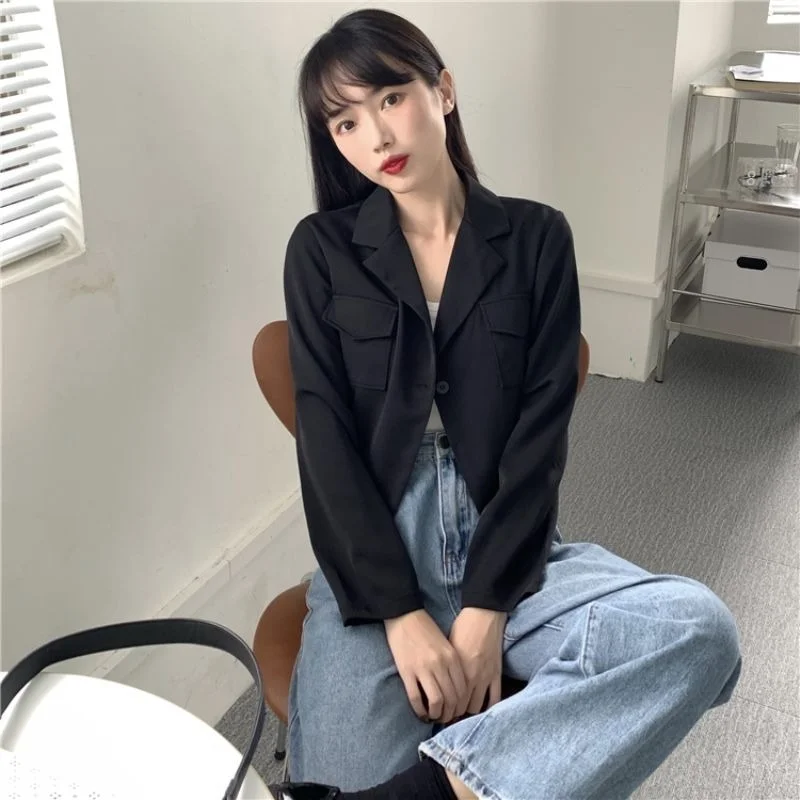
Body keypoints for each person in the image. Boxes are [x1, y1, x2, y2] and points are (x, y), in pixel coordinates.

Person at [268, 9, 742, 800]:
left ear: (443, 91)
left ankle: (443, 787)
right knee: (342, 776)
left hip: (509, 543)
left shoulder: (536, 238)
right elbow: (326, 446)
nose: (376, 136)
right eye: (345, 122)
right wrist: (400, 614)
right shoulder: (319, 250)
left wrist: (487, 605)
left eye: (391, 98)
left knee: (699, 631)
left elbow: (539, 439)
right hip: (378, 552)